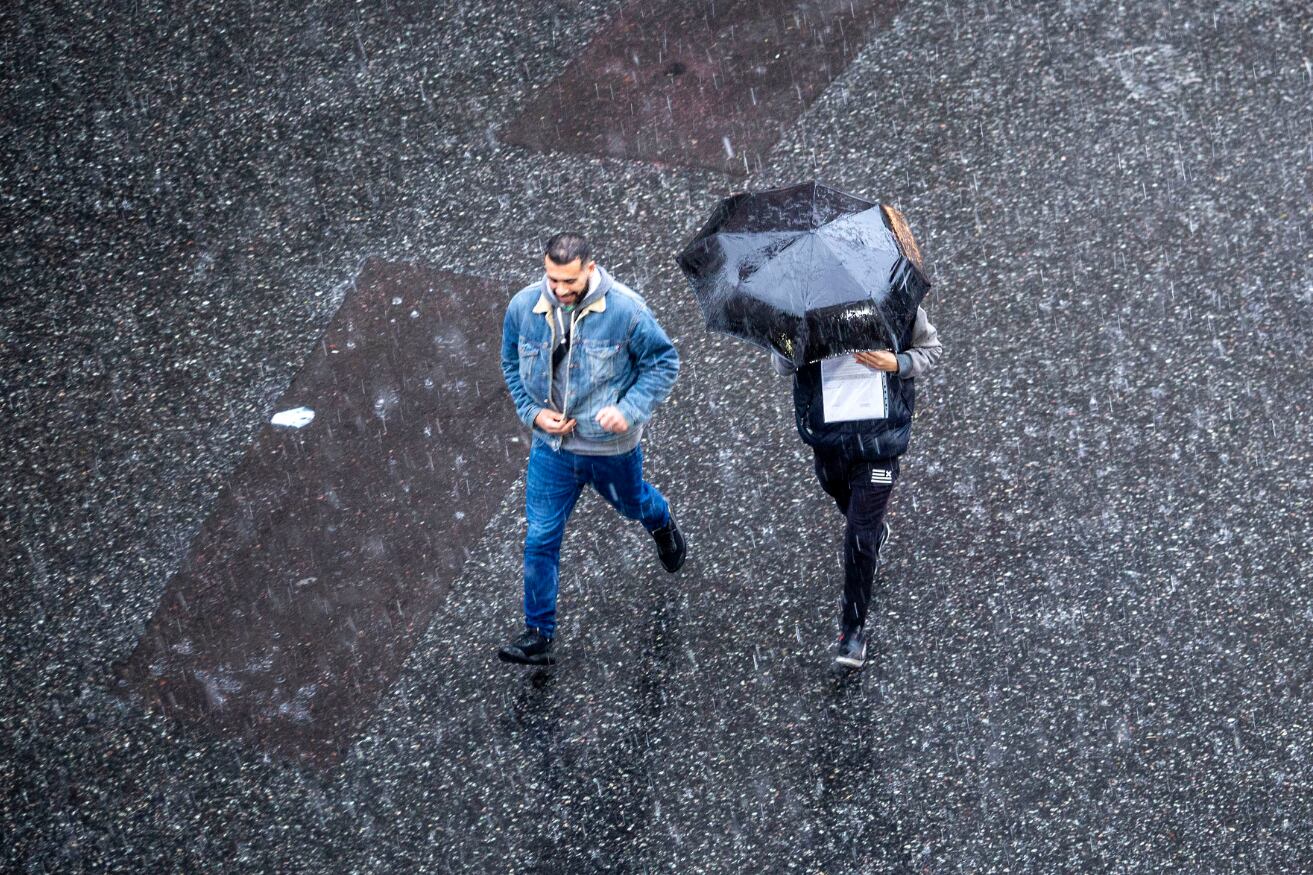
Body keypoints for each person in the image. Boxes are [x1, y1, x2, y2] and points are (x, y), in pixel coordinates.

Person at [497, 232, 685, 665]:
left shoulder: (627, 311)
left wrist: (630, 409)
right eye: (552, 279)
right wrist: (532, 413)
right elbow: (510, 362)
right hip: (552, 448)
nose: (560, 290)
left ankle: (662, 522)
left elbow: (663, 362)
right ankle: (538, 632)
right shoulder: (524, 307)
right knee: (541, 537)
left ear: (591, 269)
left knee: (635, 504)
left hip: (610, 449)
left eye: (569, 281)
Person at [773, 308, 942, 670]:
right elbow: (782, 363)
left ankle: (852, 633)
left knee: (858, 538)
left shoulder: (895, 302)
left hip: (880, 441)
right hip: (830, 441)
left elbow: (929, 350)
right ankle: (876, 530)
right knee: (841, 496)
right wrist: (795, 340)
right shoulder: (800, 308)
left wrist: (895, 362)